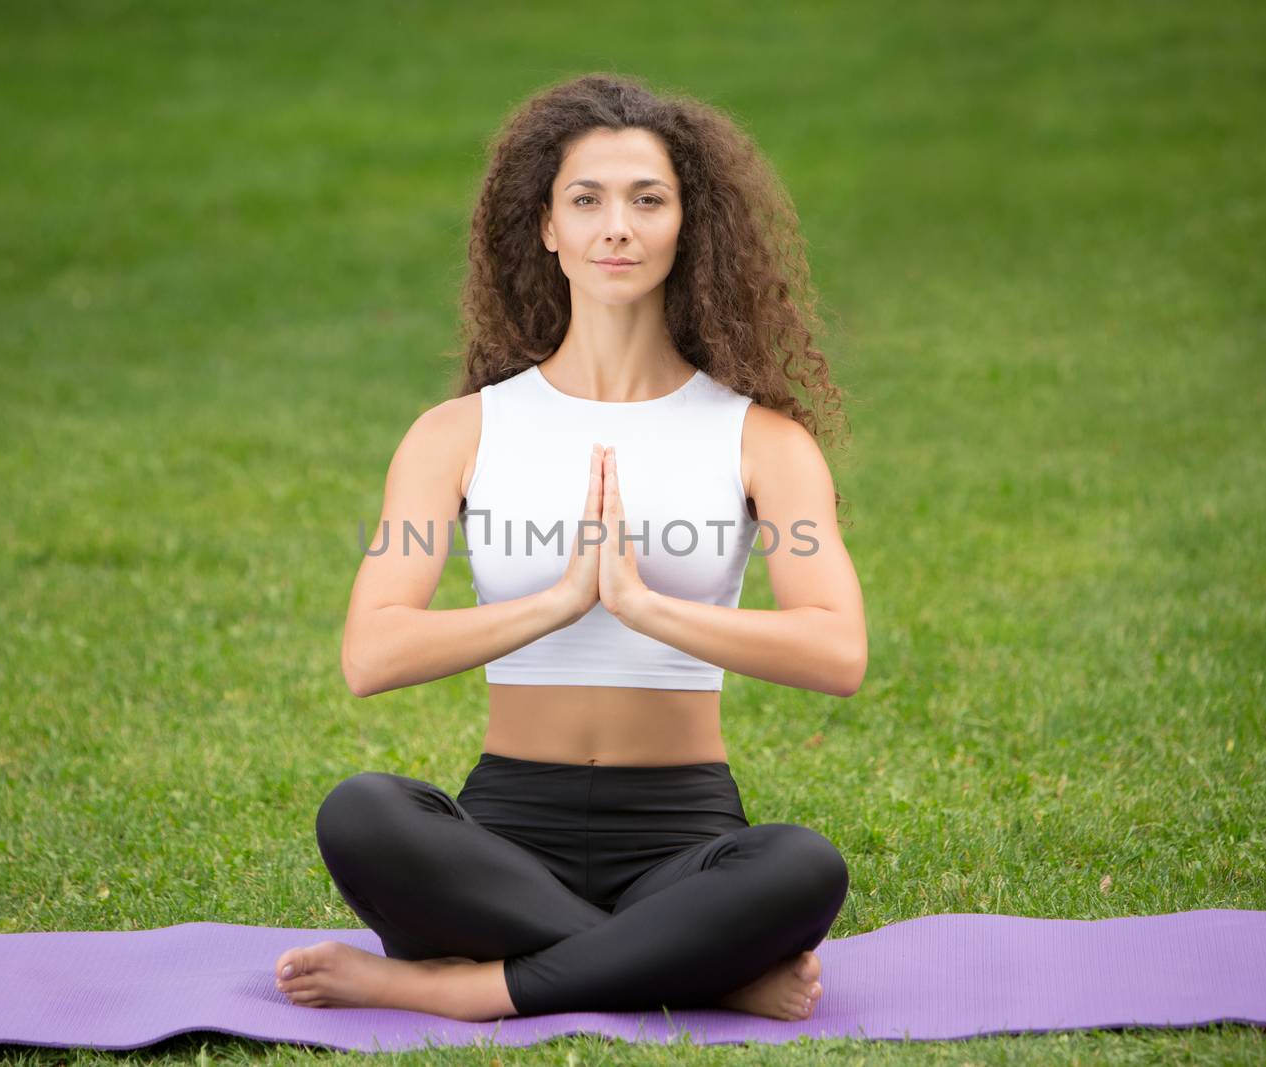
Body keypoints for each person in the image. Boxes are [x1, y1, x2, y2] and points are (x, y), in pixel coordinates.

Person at [274, 72, 867, 1023]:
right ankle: (695, 970)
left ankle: (461, 986)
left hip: (684, 830)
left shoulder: (763, 440)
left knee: (802, 864)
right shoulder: (457, 433)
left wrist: (645, 606)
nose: (616, 227)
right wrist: (558, 602)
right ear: (546, 226)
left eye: (647, 199)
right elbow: (370, 651)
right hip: (507, 836)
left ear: (688, 224)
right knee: (363, 810)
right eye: (585, 200)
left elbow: (839, 653)